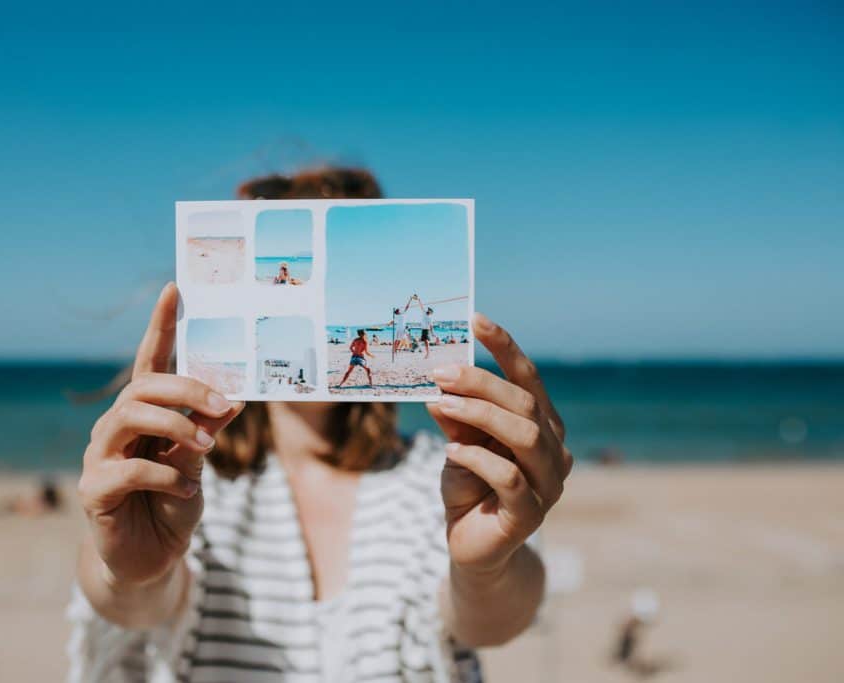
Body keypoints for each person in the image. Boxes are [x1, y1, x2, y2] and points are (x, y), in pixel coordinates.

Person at [70, 167, 572, 683]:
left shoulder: (440, 473)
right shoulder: (182, 476)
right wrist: (128, 574)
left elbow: (492, 620)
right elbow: (132, 604)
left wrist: (485, 568)